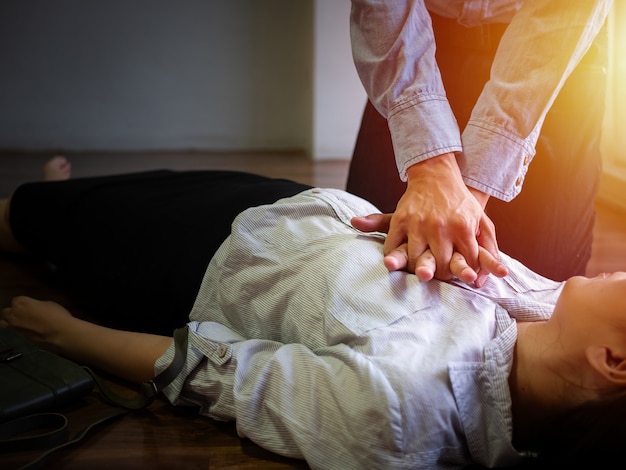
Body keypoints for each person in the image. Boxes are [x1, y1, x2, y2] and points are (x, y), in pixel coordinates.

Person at [1, 158, 626, 469]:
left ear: (613, 361)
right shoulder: (548, 305)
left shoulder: (404, 409)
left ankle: (47, 214)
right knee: (96, 197)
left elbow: (212, 371)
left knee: (29, 216)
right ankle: (64, 197)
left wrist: (67, 335)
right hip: (296, 207)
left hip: (203, 257)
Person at [347, 1, 612, 284]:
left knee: (545, 280)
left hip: (557, 52)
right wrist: (430, 170)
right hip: (414, 46)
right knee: (371, 268)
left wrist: (463, 205)